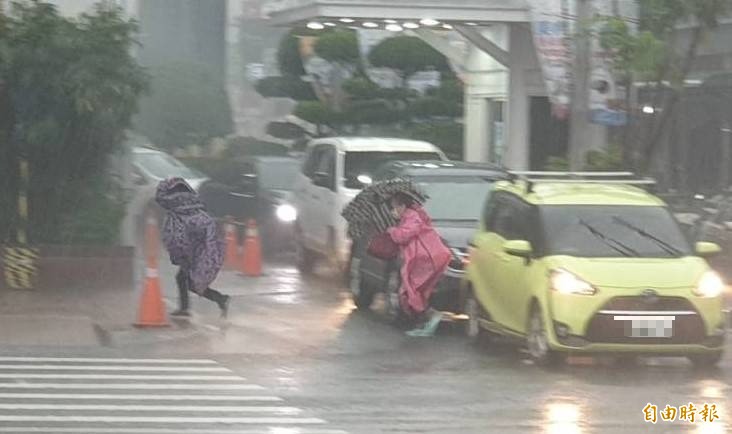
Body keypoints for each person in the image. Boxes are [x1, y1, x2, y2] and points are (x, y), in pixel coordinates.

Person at [155, 178, 230, 318]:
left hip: (198, 251)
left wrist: (185, 255)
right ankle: (191, 306)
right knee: (185, 280)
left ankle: (219, 299)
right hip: (199, 249)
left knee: (190, 283)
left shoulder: (182, 214)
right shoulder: (190, 208)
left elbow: (183, 236)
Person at [387, 192, 451, 337]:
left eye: (395, 207)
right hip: (425, 259)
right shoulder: (414, 215)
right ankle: (425, 321)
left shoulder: (412, 217)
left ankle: (429, 317)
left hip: (426, 259)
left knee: (411, 290)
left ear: (402, 206)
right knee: (413, 291)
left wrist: (392, 231)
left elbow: (405, 235)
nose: (393, 210)